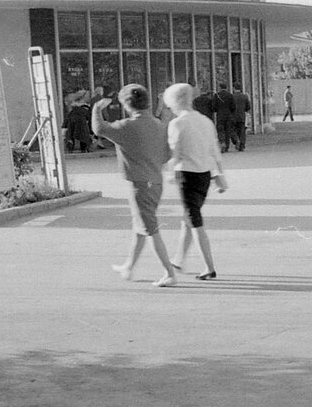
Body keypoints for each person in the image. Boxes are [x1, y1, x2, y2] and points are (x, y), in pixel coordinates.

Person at [91, 84, 178, 287]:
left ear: (128, 105)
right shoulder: (158, 125)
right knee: (141, 226)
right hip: (156, 181)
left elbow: (99, 129)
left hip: (139, 185)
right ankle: (129, 266)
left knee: (150, 229)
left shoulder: (126, 127)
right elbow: (167, 154)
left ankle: (170, 272)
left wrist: (97, 109)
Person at [164, 83, 227, 280]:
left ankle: (209, 267)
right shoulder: (205, 121)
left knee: (194, 219)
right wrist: (220, 175)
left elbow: (174, 152)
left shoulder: (177, 124)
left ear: (174, 102)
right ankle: (179, 259)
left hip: (187, 174)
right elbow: (214, 150)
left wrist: (170, 171)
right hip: (204, 175)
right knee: (189, 217)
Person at [211, 85, 236, 152]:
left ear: (220, 88)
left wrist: (217, 110)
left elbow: (213, 107)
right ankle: (227, 146)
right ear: (226, 88)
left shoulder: (217, 95)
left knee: (220, 129)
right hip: (228, 115)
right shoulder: (230, 95)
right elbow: (233, 106)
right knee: (227, 130)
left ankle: (222, 142)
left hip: (220, 115)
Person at [231, 83, 251, 152]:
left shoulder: (232, 96)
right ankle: (242, 146)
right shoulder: (244, 96)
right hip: (241, 116)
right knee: (242, 131)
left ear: (234, 88)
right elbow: (248, 107)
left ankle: (236, 140)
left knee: (232, 130)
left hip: (233, 116)